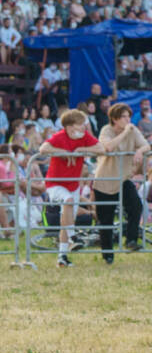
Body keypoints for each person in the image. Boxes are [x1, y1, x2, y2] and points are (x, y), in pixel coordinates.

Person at [38, 109, 106, 268]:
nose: (84, 127)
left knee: (67, 217)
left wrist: (81, 150)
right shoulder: (60, 136)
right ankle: (73, 236)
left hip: (73, 184)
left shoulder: (84, 137)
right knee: (68, 202)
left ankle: (62, 257)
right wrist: (63, 152)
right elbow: (43, 149)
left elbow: (101, 149)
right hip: (56, 183)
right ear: (69, 126)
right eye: (80, 124)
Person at [92, 103, 149, 263]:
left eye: (128, 116)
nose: (127, 120)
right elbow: (108, 147)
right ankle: (108, 255)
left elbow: (146, 144)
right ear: (115, 119)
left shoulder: (132, 129)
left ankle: (131, 240)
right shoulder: (106, 130)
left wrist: (139, 151)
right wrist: (125, 133)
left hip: (123, 178)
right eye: (124, 116)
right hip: (105, 180)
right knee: (106, 219)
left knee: (136, 206)